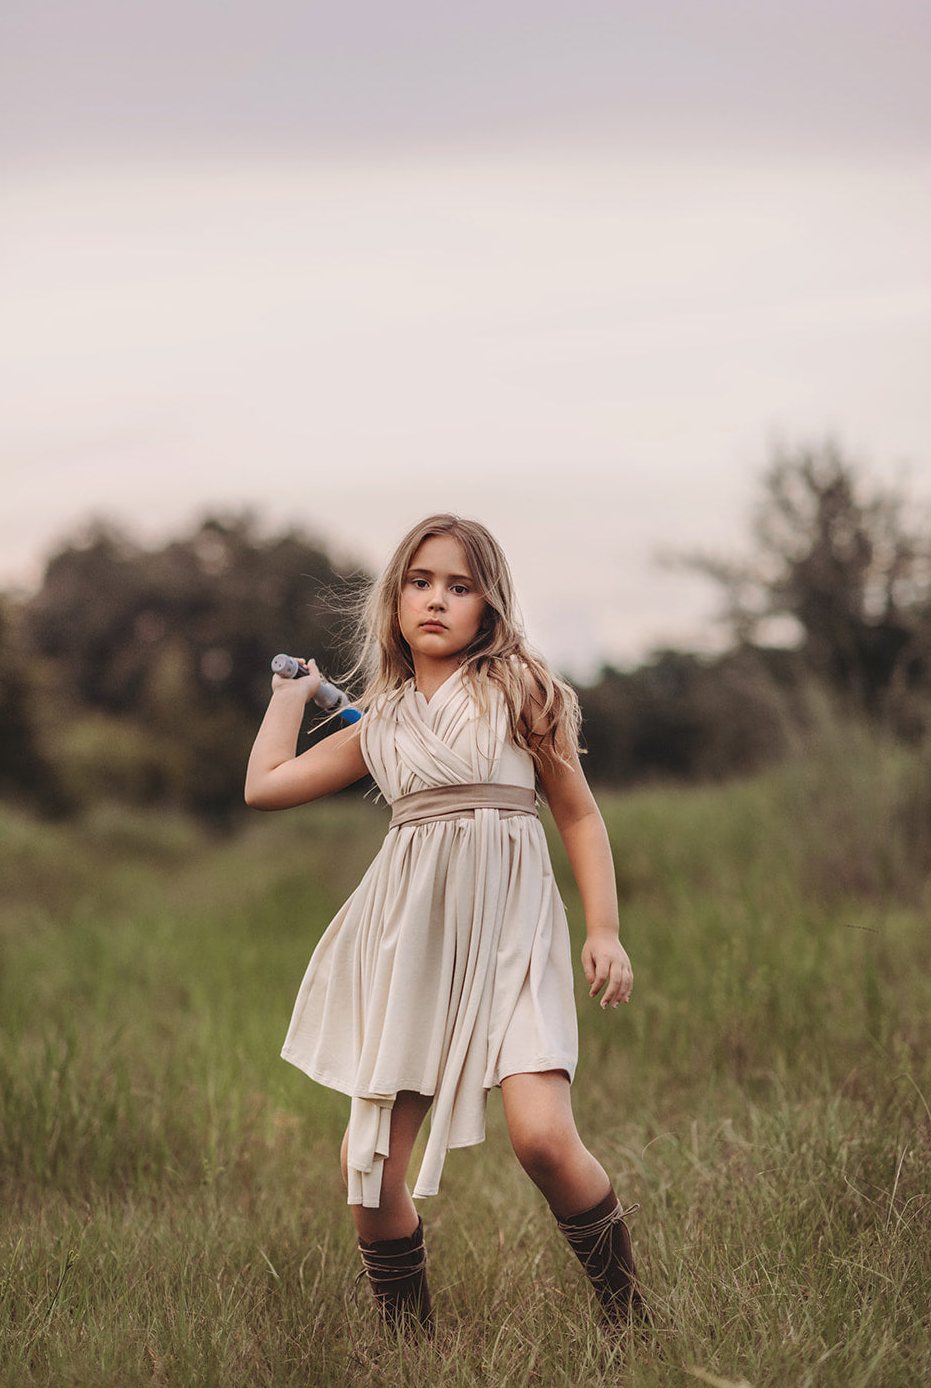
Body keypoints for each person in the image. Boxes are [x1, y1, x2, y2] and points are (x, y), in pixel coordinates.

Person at [245, 514, 648, 1337]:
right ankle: (410, 1352)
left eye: (459, 587)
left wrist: (602, 930)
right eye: (420, 583)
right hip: (410, 950)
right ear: (394, 601)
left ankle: (630, 1321)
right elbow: (267, 785)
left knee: (540, 1138)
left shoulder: (518, 691)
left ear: (488, 607)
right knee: (371, 1172)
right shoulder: (381, 724)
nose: (436, 600)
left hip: (509, 940)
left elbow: (576, 815)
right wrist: (289, 699)